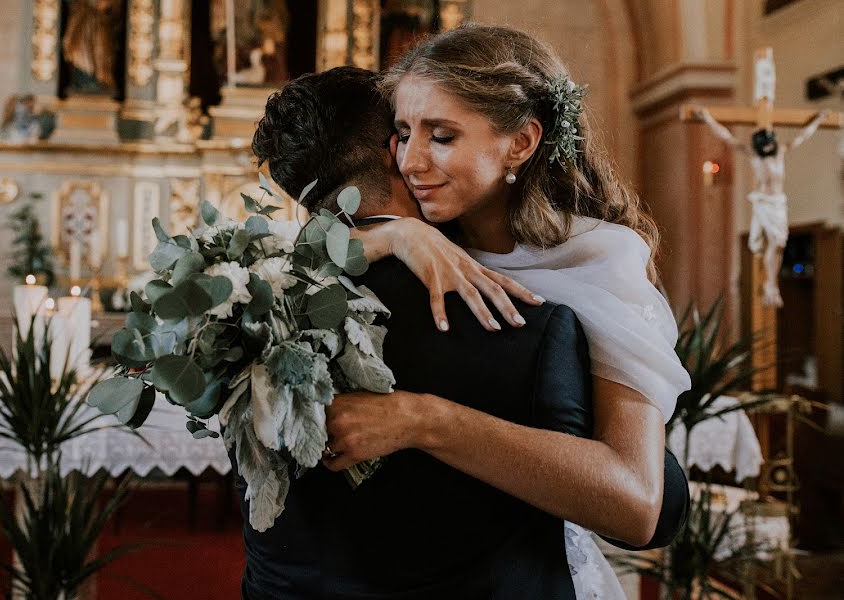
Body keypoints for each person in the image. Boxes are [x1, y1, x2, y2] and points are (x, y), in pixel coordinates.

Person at [245, 65, 688, 599]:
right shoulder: (525, 328)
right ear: (395, 153)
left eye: (438, 134)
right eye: (410, 133)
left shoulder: (248, 307)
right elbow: (650, 509)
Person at [695, 107, 830, 306]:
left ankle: (771, 285)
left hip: (778, 203)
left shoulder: (781, 152)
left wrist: (817, 121)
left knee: (780, 244)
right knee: (773, 242)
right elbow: (728, 138)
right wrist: (708, 118)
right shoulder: (753, 156)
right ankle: (770, 285)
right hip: (764, 203)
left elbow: (802, 137)